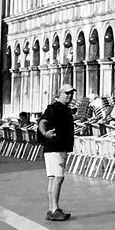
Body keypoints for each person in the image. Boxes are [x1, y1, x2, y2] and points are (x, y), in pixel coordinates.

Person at [38, 85, 76, 221]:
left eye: (72, 93)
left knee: (53, 178)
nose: (70, 96)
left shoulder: (65, 109)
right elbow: (42, 121)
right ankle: (54, 209)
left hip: (57, 148)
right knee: (58, 178)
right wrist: (44, 133)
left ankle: (51, 208)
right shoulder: (54, 108)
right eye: (67, 93)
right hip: (55, 148)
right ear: (60, 93)